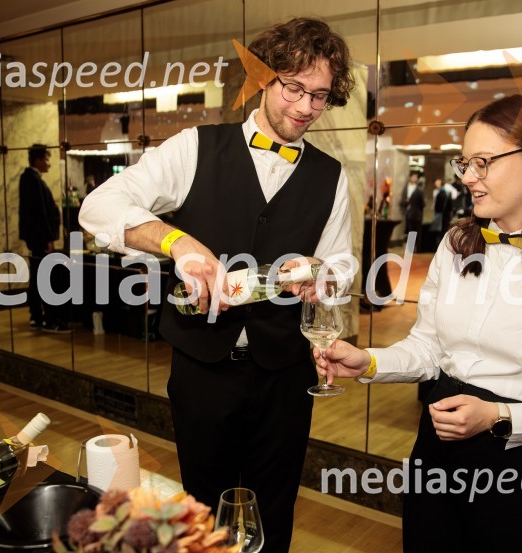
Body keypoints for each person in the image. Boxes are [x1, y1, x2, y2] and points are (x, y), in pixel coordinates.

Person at [313, 94, 522, 552]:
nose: (468, 177)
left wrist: (500, 417)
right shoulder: (457, 243)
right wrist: (366, 361)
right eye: (465, 162)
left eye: (483, 162)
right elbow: (429, 347)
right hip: (437, 448)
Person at [80, 17, 355, 553]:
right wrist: (175, 242)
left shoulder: (331, 175)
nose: (304, 107)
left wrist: (321, 273)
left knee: (274, 506)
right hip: (203, 368)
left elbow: (342, 268)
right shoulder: (193, 148)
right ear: (260, 79)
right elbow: (99, 206)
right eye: (293, 87)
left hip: (285, 374)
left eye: (319, 96)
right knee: (204, 506)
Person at [18, 144, 68, 333]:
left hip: (36, 238)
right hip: (40, 238)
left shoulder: (29, 179)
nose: (48, 163)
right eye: (46, 159)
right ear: (38, 160)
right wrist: (49, 238)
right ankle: (49, 319)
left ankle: (37, 317)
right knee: (44, 278)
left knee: (38, 277)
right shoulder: (32, 180)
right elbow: (40, 213)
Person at [401, 169, 425, 250]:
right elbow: (402, 200)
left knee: (418, 231)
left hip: (417, 213)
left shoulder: (419, 189)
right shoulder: (406, 188)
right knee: (410, 231)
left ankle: (418, 248)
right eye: (413, 177)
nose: (415, 178)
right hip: (409, 212)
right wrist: (406, 201)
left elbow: (423, 203)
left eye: (416, 177)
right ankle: (410, 247)